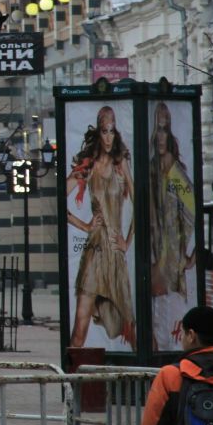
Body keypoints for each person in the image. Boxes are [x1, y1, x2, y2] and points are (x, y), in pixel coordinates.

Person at [66, 105, 136, 350]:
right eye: (104, 131)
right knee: (80, 326)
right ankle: (70, 383)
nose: (108, 136)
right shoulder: (88, 165)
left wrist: (127, 241)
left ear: (116, 133)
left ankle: (148, 381)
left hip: (115, 254)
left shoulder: (120, 164)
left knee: (130, 326)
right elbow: (59, 200)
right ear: (98, 132)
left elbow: (140, 203)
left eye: (112, 130)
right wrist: (84, 225)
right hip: (95, 249)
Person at [148, 101, 197, 351]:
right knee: (158, 310)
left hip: (170, 253)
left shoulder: (175, 170)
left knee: (167, 308)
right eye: (157, 129)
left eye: (165, 129)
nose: (160, 136)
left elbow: (192, 209)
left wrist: (190, 253)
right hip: (156, 251)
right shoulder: (152, 168)